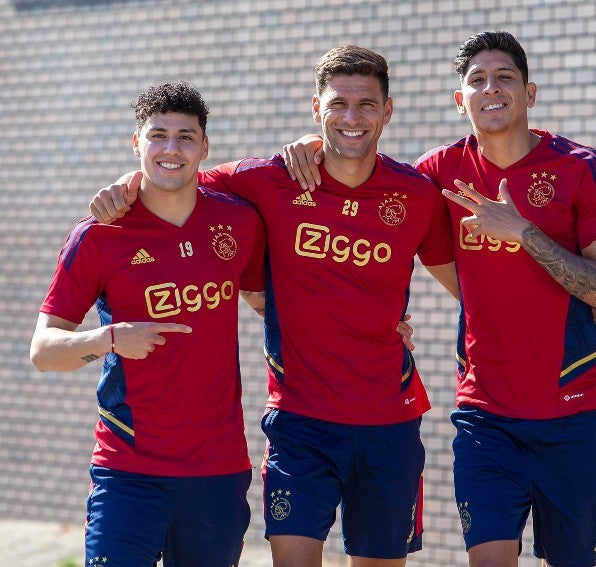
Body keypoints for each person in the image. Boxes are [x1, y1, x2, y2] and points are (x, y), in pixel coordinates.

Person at [89, 46, 459, 567]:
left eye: (366, 105)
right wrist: (127, 187)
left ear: (387, 111)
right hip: (298, 422)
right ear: (316, 108)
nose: (351, 118)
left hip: (389, 422)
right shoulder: (272, 178)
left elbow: (470, 289)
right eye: (338, 104)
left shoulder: (417, 194)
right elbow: (179, 180)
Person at [282, 31, 596, 567]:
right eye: (477, 80)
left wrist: (524, 234)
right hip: (484, 416)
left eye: (505, 78)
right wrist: (312, 147)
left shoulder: (584, 168)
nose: (491, 89)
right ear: (459, 99)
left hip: (576, 414)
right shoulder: (435, 175)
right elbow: (362, 181)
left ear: (529, 93)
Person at [30, 81, 266, 567]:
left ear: (205, 147)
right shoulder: (98, 236)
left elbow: (274, 306)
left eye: (185, 136)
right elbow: (44, 350)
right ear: (137, 143)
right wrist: (110, 338)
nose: (171, 149)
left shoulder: (239, 223)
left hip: (217, 471)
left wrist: (379, 329)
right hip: (128, 470)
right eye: (158, 135)